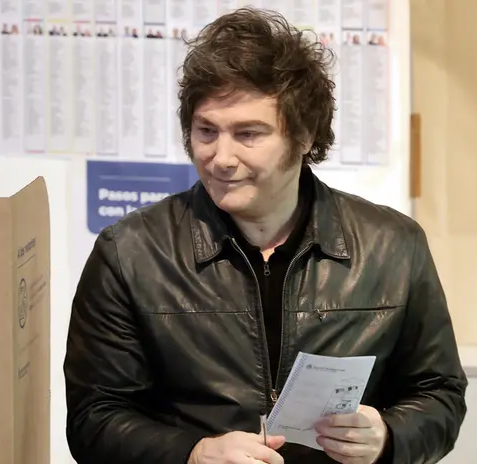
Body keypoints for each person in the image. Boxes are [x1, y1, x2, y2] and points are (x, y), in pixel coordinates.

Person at [64, 7, 467, 464]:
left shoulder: (392, 245)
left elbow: (439, 394)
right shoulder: (131, 253)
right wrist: (190, 454)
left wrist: (389, 437)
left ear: (303, 136)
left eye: (248, 134)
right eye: (206, 132)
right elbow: (92, 417)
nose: (221, 157)